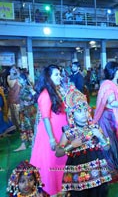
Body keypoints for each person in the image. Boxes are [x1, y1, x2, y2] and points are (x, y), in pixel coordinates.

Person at [55, 86, 111, 196]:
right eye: (79, 111)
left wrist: (100, 137)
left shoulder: (95, 127)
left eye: (86, 110)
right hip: (78, 175)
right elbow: (58, 152)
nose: (84, 114)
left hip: (97, 174)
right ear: (72, 114)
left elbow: (107, 147)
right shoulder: (68, 133)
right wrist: (71, 146)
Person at [30, 65, 68, 196]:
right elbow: (46, 118)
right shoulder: (45, 94)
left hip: (60, 132)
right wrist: (52, 138)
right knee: (51, 163)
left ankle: (59, 187)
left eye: (60, 74)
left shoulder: (55, 91)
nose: (60, 77)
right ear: (48, 77)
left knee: (59, 162)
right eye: (56, 75)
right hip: (50, 134)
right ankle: (51, 190)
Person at [14, 73, 37, 152]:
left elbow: (34, 97)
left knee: (30, 127)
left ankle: (32, 143)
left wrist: (26, 98)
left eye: (19, 79)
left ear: (23, 80)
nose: (18, 81)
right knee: (23, 127)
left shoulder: (28, 87)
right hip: (23, 110)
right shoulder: (23, 87)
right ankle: (24, 144)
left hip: (29, 110)